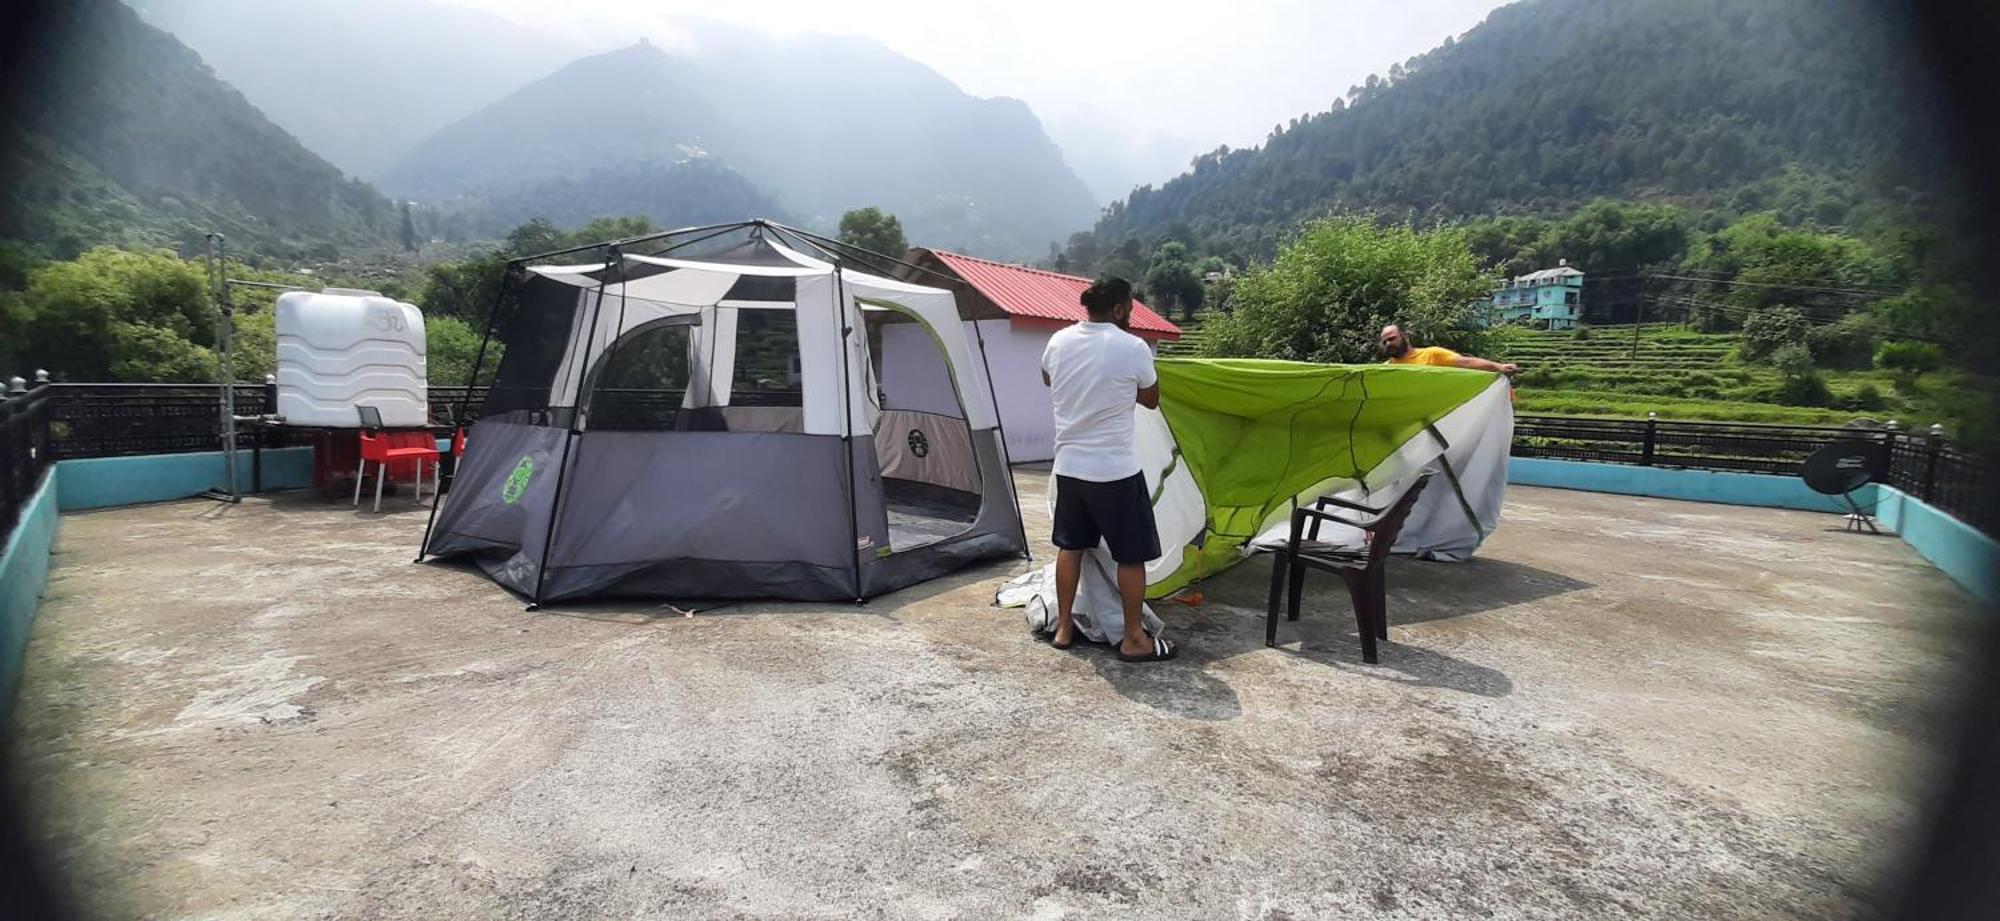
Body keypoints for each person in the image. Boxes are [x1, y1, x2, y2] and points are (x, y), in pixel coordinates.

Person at [1038, 277, 1177, 663]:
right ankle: (1133, 637)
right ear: (1119, 309)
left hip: (1069, 467)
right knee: (1130, 556)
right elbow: (1151, 399)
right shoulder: (1132, 347)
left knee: (1071, 548)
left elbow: (1048, 378)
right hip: (1115, 471)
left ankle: (1064, 626)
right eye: (1130, 307)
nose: (1131, 314)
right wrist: (1116, 387)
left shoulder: (1059, 341)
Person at [1379, 324, 1519, 374]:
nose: (1388, 344)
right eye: (1384, 342)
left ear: (1404, 336)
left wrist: (1499, 367)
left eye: (1392, 338)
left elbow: (1466, 362)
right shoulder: (1383, 370)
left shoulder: (1431, 354)